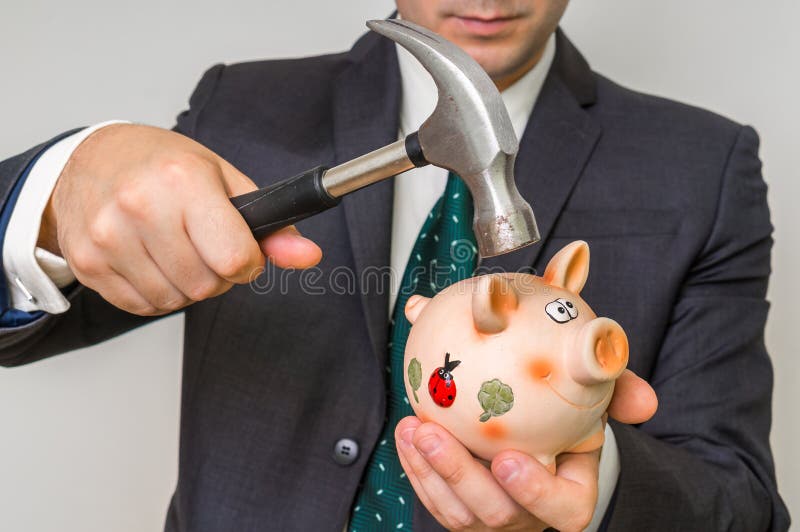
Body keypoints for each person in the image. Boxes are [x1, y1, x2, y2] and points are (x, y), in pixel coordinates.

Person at [0, 0, 789, 530]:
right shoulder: (238, 110)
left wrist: (592, 481)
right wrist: (58, 191)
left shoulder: (703, 163)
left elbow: (745, 504)